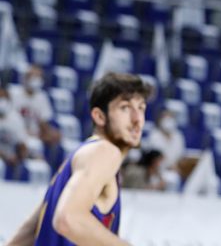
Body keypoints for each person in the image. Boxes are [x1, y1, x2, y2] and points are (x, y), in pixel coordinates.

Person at [7, 72, 152, 246]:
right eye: (125, 108)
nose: (137, 119)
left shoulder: (78, 159)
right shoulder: (105, 151)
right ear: (99, 116)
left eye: (141, 108)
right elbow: (67, 219)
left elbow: (27, 234)